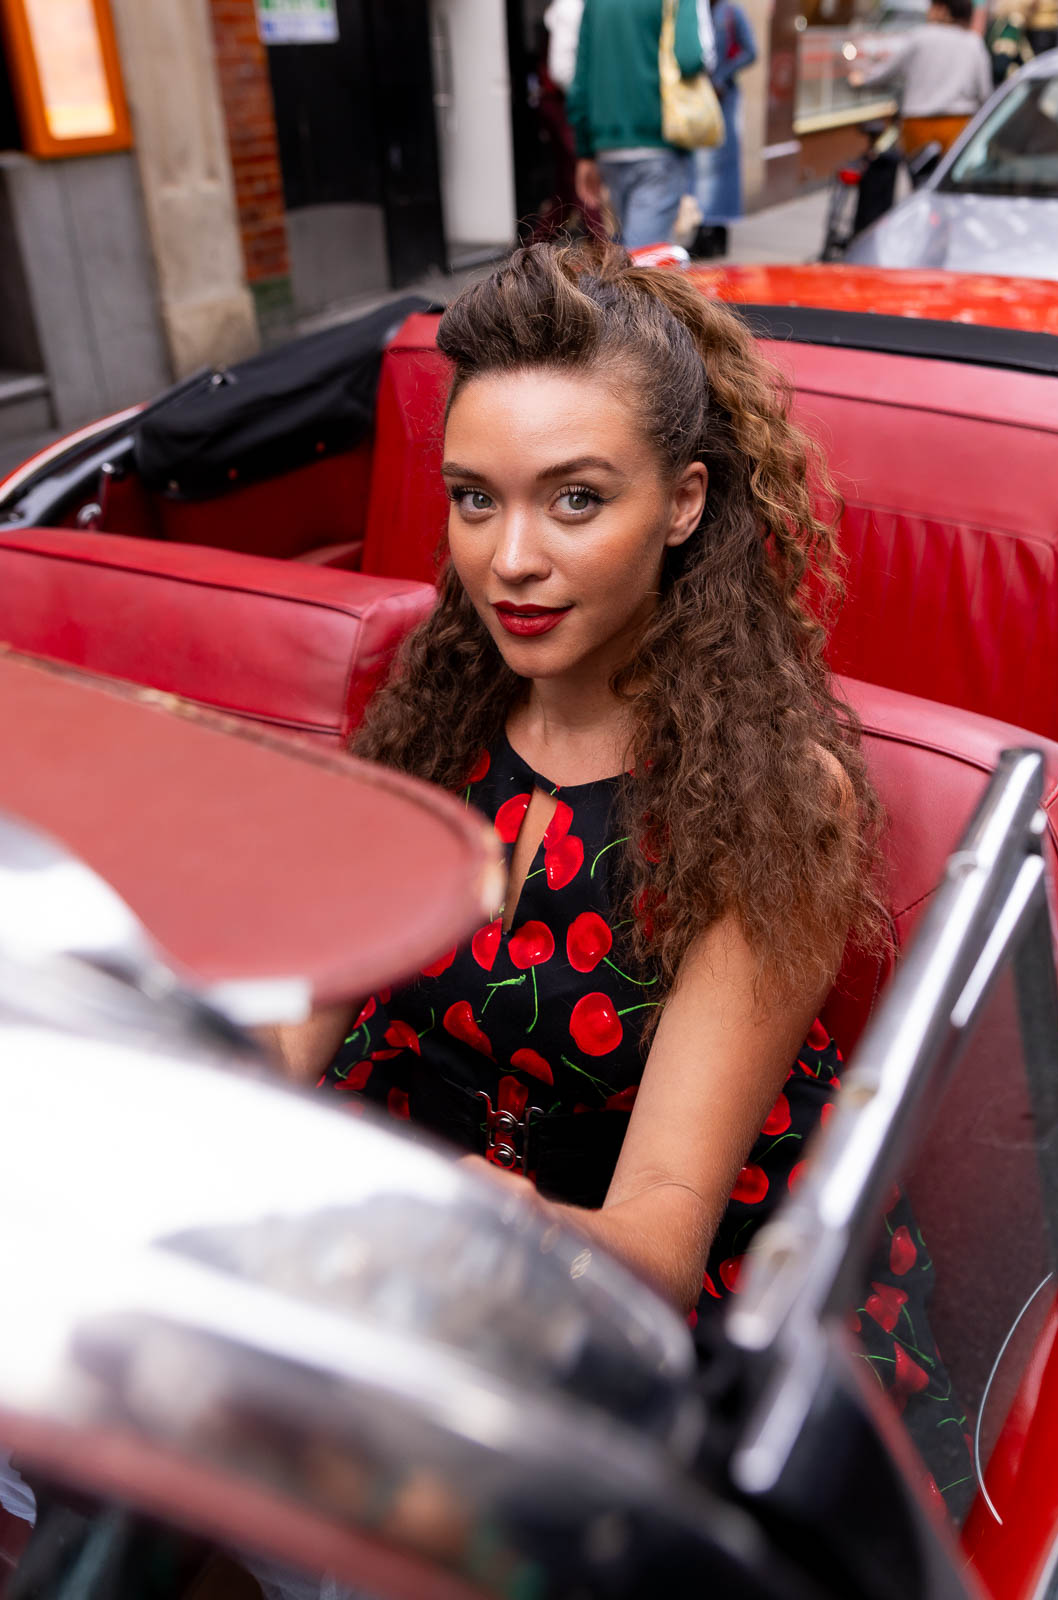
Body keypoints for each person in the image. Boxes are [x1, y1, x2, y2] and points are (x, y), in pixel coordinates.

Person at [266, 241, 972, 1514]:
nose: (509, 561)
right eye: (474, 499)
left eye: (575, 500)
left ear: (686, 502)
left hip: (664, 1295)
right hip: (415, 1232)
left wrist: (472, 1223)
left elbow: (652, 1242)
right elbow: (287, 1034)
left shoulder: (773, 797)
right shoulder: (430, 709)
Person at [568, 0, 709, 250]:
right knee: (644, 263)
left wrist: (585, 151)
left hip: (608, 147)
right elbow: (689, 58)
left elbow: (580, 79)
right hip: (658, 140)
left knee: (629, 254)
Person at [850, 0, 993, 159]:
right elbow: (985, 91)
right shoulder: (973, 42)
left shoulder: (919, 37)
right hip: (958, 123)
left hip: (917, 124)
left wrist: (861, 79)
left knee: (917, 175)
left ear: (943, 10)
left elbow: (887, 72)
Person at [690, 0, 759, 260]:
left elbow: (751, 51)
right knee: (701, 166)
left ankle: (715, 233)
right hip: (700, 100)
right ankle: (706, 231)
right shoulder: (695, 10)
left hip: (723, 100)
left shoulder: (731, 13)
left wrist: (722, 76)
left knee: (721, 166)